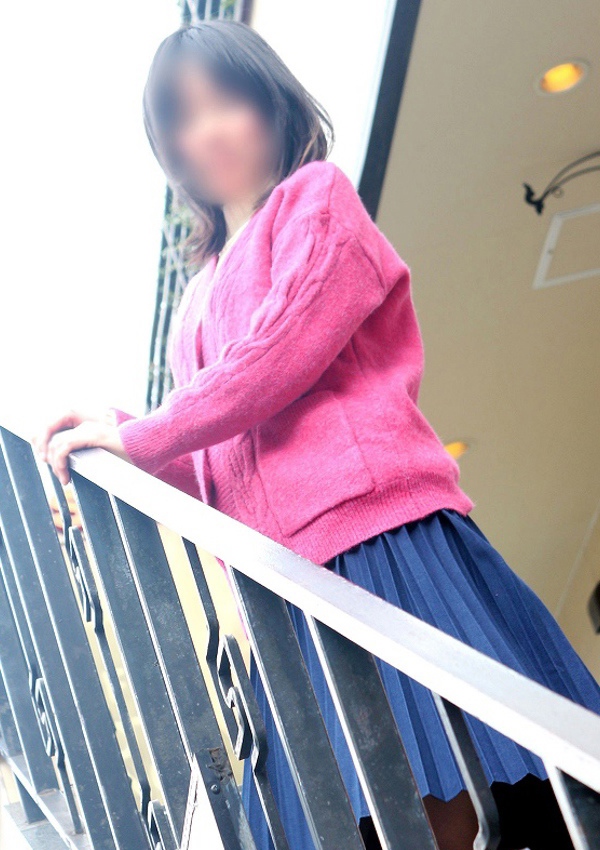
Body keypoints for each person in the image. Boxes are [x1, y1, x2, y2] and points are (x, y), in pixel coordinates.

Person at [32, 20, 600, 850]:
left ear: (273, 104)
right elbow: (213, 453)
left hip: (373, 537)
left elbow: (281, 352)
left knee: (437, 789)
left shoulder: (315, 198)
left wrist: (144, 432)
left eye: (226, 102)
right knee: (372, 814)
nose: (207, 131)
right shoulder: (193, 299)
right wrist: (114, 440)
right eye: (183, 118)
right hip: (280, 586)